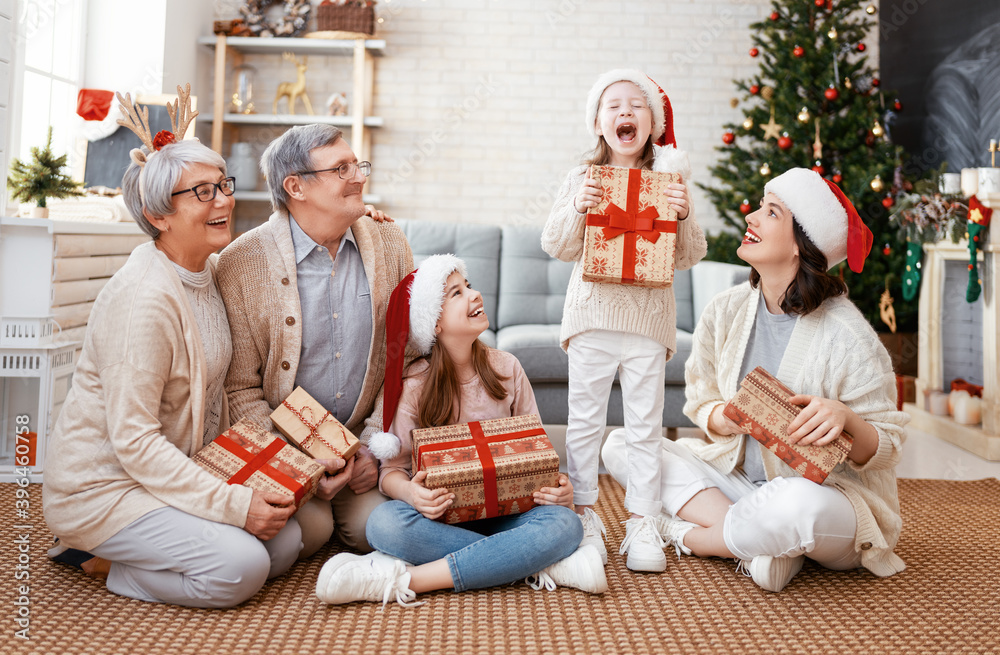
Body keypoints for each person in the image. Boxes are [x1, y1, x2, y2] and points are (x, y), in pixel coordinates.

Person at [43, 89, 301, 609]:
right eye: (202, 192)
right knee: (243, 566)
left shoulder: (205, 271)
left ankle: (156, 552)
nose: (224, 200)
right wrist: (233, 504)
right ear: (158, 216)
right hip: (105, 489)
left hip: (170, 474)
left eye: (223, 184)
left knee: (293, 538)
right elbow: (134, 442)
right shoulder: (145, 300)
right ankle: (109, 564)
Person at [603, 167, 908, 592]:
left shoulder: (848, 334)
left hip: (830, 500)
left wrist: (846, 420)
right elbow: (700, 395)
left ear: (803, 245)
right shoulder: (726, 309)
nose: (751, 217)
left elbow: (890, 445)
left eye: (771, 212)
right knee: (622, 446)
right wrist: (719, 418)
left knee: (797, 503)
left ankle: (696, 537)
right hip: (738, 484)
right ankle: (768, 544)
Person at [316, 255, 607, 606]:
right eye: (457, 293)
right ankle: (540, 564)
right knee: (383, 523)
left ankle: (408, 579)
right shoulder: (415, 384)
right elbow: (391, 472)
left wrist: (560, 489)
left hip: (510, 516)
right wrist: (411, 494)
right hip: (444, 522)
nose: (475, 294)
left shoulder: (507, 368)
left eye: (468, 286)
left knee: (566, 523)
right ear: (434, 323)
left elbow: (538, 454)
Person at [216, 124, 413, 559]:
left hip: (363, 439)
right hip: (284, 446)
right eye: (341, 168)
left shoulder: (390, 242)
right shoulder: (240, 264)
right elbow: (240, 389)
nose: (359, 176)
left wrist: (375, 446)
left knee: (371, 532)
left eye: (357, 165)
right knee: (312, 533)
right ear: (295, 186)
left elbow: (409, 359)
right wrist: (301, 463)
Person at [541, 69, 708, 572]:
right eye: (613, 106)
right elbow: (555, 244)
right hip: (592, 318)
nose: (624, 114)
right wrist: (577, 207)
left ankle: (641, 520)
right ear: (597, 122)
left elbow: (691, 254)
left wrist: (682, 216)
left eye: (636, 105)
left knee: (644, 426)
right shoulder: (582, 179)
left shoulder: (670, 182)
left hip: (648, 324)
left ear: (652, 124)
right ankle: (585, 514)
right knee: (585, 422)